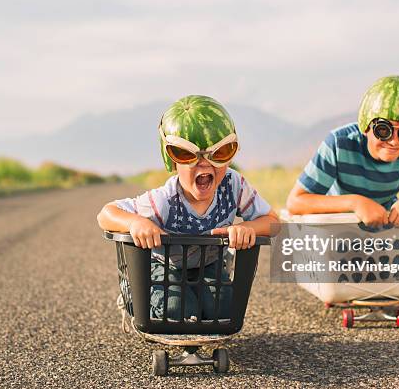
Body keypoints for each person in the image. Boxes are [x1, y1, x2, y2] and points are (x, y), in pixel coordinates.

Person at [97, 95, 278, 321]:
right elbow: (106, 214)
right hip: (164, 267)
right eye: (187, 155)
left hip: (209, 264)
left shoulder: (235, 186)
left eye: (219, 153)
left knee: (224, 311)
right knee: (178, 310)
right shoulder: (163, 201)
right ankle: (133, 295)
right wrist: (136, 222)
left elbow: (273, 222)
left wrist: (249, 227)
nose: (205, 163)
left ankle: (196, 302)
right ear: (171, 159)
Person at [286, 75, 399, 228]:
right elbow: (295, 202)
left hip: (383, 229)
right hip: (334, 225)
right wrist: (355, 203)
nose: (394, 141)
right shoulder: (339, 144)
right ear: (365, 127)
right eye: (383, 130)